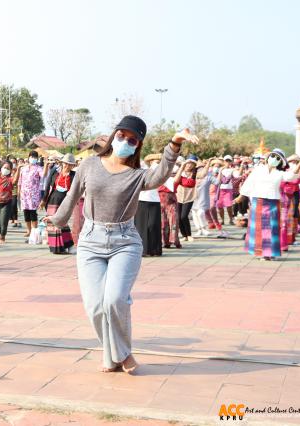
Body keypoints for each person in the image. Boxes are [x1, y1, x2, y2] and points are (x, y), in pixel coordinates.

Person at [43, 116, 198, 374]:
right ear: (113, 135)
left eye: (132, 139)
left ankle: (123, 355)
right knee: (95, 306)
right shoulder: (90, 165)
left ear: (138, 146)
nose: (125, 141)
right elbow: (73, 195)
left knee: (114, 300)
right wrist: (58, 219)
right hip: (91, 241)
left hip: (124, 242)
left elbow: (160, 175)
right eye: (121, 135)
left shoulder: (138, 176)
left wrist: (174, 143)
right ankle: (112, 353)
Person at [236, 149, 300, 260]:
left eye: (278, 158)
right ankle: (260, 252)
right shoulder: (258, 170)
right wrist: (241, 195)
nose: (274, 159)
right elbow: (249, 182)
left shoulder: (280, 173)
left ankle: (270, 252)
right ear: (268, 158)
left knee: (271, 228)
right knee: (258, 228)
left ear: (280, 162)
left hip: (273, 202)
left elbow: (292, 176)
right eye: (273, 156)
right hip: (258, 201)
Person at [42, 153, 76, 254]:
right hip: (53, 200)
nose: (67, 166)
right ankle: (56, 247)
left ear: (72, 165)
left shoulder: (74, 175)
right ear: (62, 163)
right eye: (65, 163)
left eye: (70, 164)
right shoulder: (55, 173)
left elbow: (75, 190)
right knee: (52, 223)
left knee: (62, 222)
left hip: (65, 201)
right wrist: (44, 200)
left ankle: (68, 245)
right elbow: (47, 185)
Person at [134, 154, 163, 256]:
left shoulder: (160, 171)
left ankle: (155, 249)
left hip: (155, 200)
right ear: (150, 162)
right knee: (141, 225)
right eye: (156, 162)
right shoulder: (144, 169)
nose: (158, 164)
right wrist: (153, 167)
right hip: (142, 200)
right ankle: (143, 250)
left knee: (153, 225)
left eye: (159, 162)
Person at [16, 151, 49, 239]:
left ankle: (34, 230)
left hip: (34, 194)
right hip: (24, 194)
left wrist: (46, 165)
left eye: (35, 157)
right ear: (29, 157)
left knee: (33, 213)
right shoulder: (24, 168)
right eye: (32, 157)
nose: (33, 158)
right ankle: (28, 230)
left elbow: (44, 175)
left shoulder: (38, 168)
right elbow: (20, 180)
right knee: (26, 212)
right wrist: (19, 191)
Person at [191, 158, 217, 236]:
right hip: (193, 197)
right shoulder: (193, 175)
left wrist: (219, 174)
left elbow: (217, 182)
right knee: (194, 214)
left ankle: (204, 228)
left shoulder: (208, 175)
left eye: (201, 167)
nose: (200, 169)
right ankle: (199, 229)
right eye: (198, 168)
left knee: (200, 213)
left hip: (203, 197)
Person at [175, 154, 198, 242]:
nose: (189, 165)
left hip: (189, 197)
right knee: (178, 217)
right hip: (178, 196)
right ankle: (184, 235)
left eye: (192, 164)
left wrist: (206, 164)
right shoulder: (179, 171)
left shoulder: (195, 173)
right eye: (188, 163)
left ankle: (189, 235)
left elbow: (203, 174)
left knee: (184, 216)